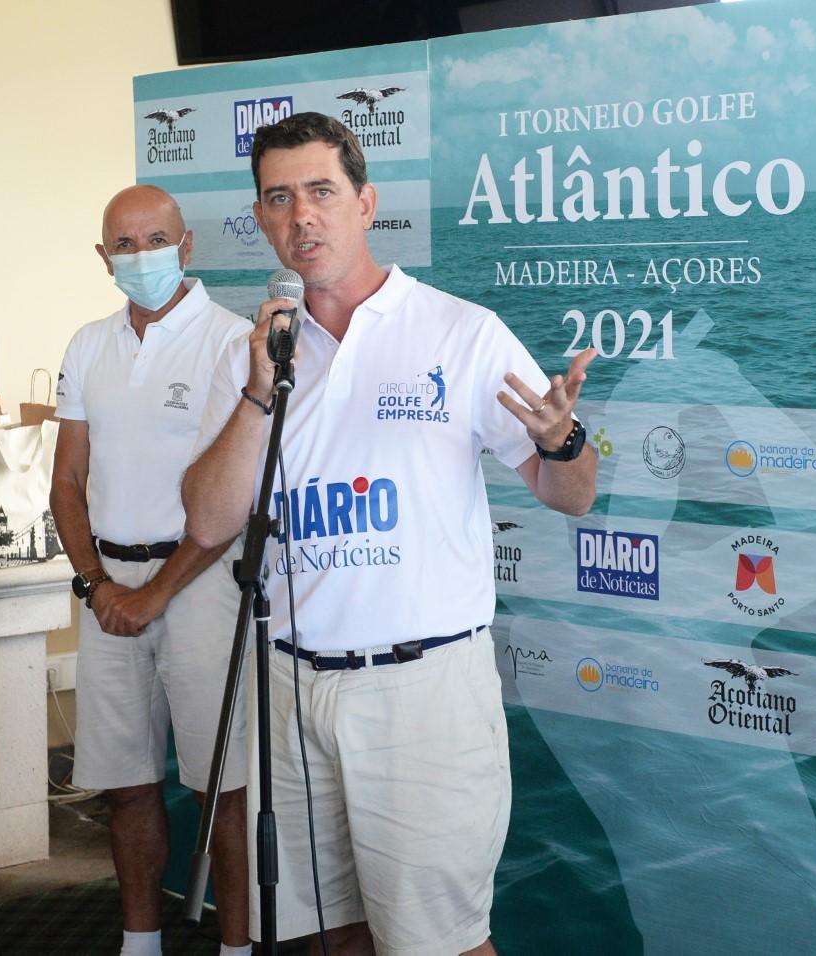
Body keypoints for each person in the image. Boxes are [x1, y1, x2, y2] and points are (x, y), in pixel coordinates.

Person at [181, 113, 598, 956]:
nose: (303, 215)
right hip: (292, 686)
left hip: (420, 694)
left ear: (366, 204)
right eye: (280, 197)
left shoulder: (460, 331)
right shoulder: (254, 352)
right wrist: (261, 390)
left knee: (437, 943)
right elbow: (207, 520)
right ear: (260, 219)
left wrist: (564, 441)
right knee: (325, 940)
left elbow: (572, 497)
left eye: (322, 192)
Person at [49, 185, 253, 956]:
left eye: (155, 240)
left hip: (202, 589)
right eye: (123, 246)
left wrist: (157, 593)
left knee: (219, 791)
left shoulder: (233, 344)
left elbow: (232, 500)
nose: (141, 257)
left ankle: (237, 947)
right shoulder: (87, 345)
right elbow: (67, 481)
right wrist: (100, 587)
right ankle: (140, 944)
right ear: (104, 258)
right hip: (108, 595)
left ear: (187, 246)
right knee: (125, 785)